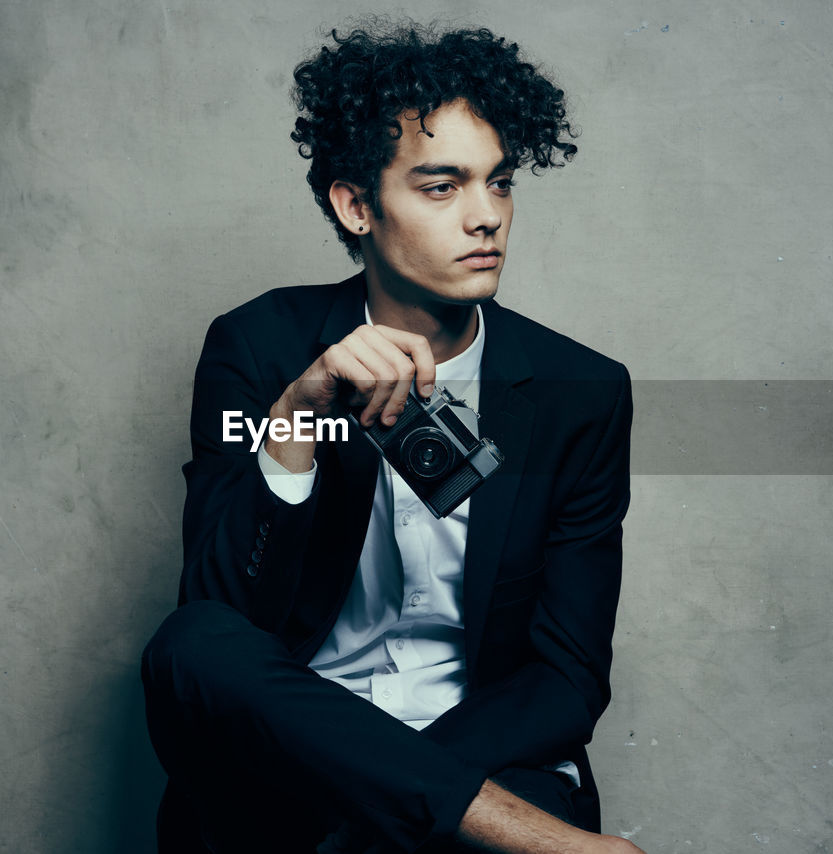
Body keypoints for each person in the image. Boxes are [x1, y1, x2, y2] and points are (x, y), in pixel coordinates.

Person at [142, 22, 642, 854]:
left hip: (486, 756)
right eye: (444, 188)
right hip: (291, 749)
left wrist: (386, 787)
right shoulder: (259, 345)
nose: (487, 218)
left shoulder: (580, 392)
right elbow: (223, 616)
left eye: (501, 183)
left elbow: (568, 676)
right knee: (190, 644)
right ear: (356, 205)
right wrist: (299, 415)